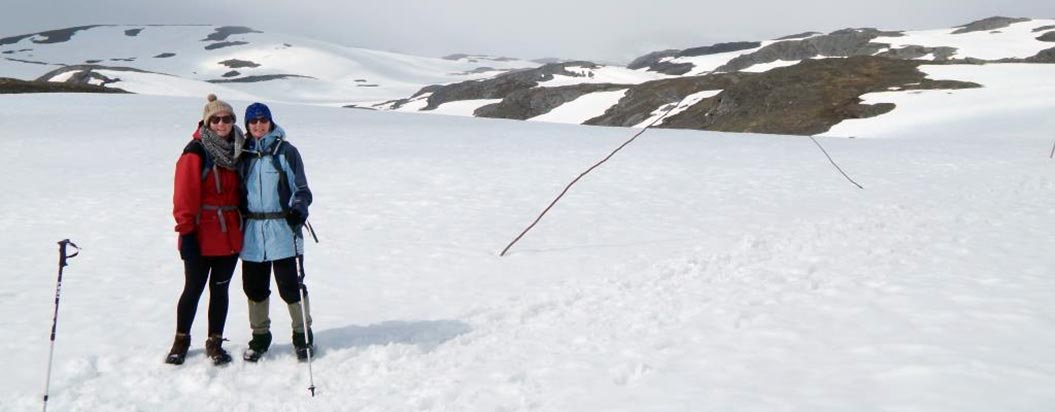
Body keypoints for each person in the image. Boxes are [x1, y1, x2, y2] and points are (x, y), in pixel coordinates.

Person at [166, 94, 245, 366]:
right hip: (200, 234)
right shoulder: (195, 152)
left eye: (227, 119)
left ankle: (215, 341)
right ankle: (181, 339)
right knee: (193, 289)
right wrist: (186, 232)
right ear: (207, 122)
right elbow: (184, 195)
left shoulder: (238, 149)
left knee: (220, 291)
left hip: (229, 235)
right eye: (216, 119)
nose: (222, 124)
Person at [238, 102, 315, 362]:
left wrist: (298, 210)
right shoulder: (243, 154)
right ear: (247, 126)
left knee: (291, 287)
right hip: (252, 234)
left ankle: (302, 336)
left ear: (270, 122)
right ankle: (260, 337)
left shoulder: (286, 152)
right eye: (253, 121)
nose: (259, 125)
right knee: (254, 289)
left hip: (283, 230)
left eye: (263, 120)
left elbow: (302, 189)